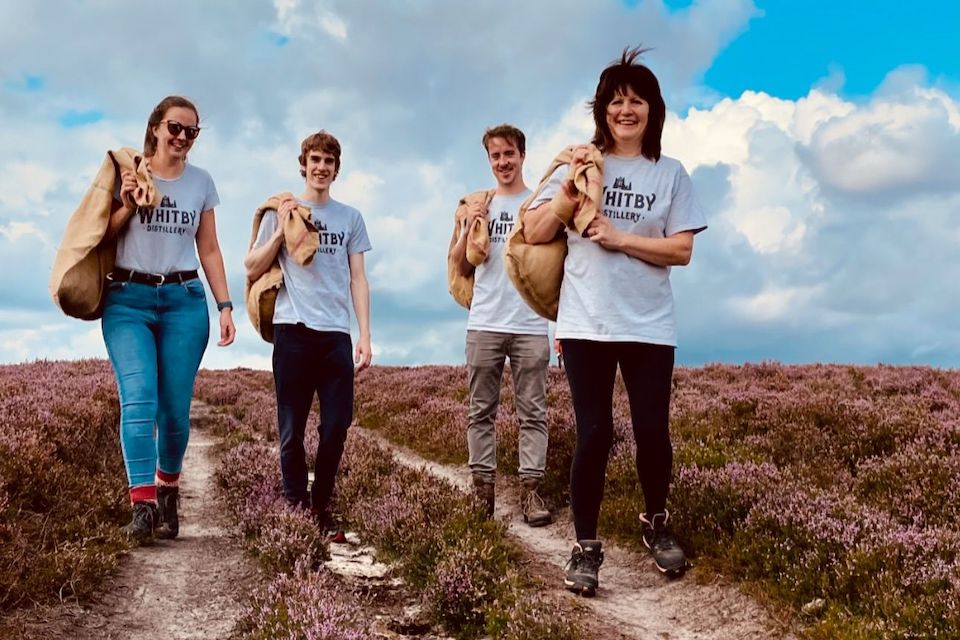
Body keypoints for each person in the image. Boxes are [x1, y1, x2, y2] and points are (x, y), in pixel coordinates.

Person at [522, 48, 707, 595]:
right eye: (616, 101)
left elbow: (681, 251)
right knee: (594, 433)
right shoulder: (583, 166)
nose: (626, 110)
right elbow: (533, 234)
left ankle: (655, 522)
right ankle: (585, 547)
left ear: (654, 110)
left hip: (649, 324)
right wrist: (568, 196)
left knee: (653, 431)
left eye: (637, 100)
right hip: (586, 324)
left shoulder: (671, 173)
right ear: (602, 110)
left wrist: (619, 237)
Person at [102, 95, 236, 543]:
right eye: (175, 128)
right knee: (138, 400)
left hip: (183, 299)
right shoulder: (129, 170)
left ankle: (167, 489)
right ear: (156, 127)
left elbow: (210, 249)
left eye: (191, 132)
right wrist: (127, 204)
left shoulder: (201, 183)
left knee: (174, 411)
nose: (182, 138)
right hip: (127, 298)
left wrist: (225, 306)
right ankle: (142, 507)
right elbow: (98, 235)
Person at [244, 131, 372, 541]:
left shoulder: (350, 218)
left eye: (328, 161)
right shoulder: (280, 212)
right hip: (292, 330)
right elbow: (250, 266)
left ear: (336, 168)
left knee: (337, 425)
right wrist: (282, 230)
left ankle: (320, 505)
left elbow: (358, 278)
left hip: (335, 334)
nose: (321, 167)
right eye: (314, 160)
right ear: (304, 164)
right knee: (291, 430)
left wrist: (364, 335)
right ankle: (297, 508)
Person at [449, 125, 552, 526]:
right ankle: (483, 493)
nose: (503, 162)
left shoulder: (538, 203)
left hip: (531, 322)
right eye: (495, 156)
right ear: (488, 160)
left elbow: (556, 266)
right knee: (480, 411)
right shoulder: (479, 205)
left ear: (522, 155)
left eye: (509, 154)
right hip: (485, 321)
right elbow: (459, 266)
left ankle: (532, 493)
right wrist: (469, 227)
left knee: (533, 412)